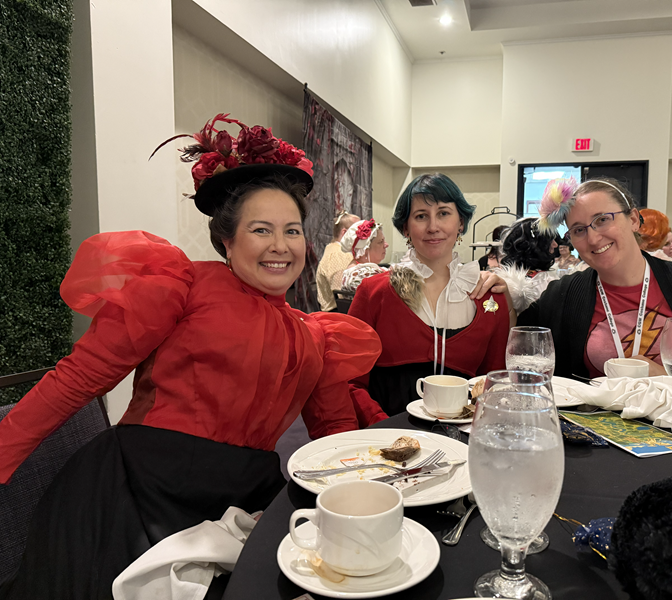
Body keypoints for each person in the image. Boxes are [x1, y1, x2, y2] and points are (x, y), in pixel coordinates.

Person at [0, 114, 381, 600]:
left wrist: (367, 502)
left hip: (242, 505)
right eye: (261, 230)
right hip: (134, 497)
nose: (280, 246)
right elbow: (77, 380)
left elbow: (334, 438)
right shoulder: (180, 287)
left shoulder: (318, 336)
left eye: (292, 230)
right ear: (227, 238)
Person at [518, 177, 672, 377]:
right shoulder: (562, 296)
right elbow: (516, 341)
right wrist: (502, 290)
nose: (593, 238)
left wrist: (669, 377)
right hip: (594, 437)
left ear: (634, 220)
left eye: (603, 219)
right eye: (579, 230)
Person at [348, 173, 510, 423]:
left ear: (461, 224)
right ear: (405, 227)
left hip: (461, 443)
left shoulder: (491, 298)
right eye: (421, 216)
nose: (433, 226)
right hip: (383, 439)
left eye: (444, 213)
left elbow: (494, 385)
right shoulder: (373, 292)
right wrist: (384, 429)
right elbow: (350, 381)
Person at [495, 217, 560, 314]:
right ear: (537, 245)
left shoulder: (502, 279)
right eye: (551, 240)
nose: (555, 245)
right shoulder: (547, 281)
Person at [316, 210, 359, 311]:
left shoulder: (334, 249)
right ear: (345, 233)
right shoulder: (337, 255)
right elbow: (343, 296)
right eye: (359, 231)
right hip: (337, 314)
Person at [340, 218, 389, 294]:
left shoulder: (353, 271)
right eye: (380, 242)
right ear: (364, 251)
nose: (386, 245)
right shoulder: (363, 276)